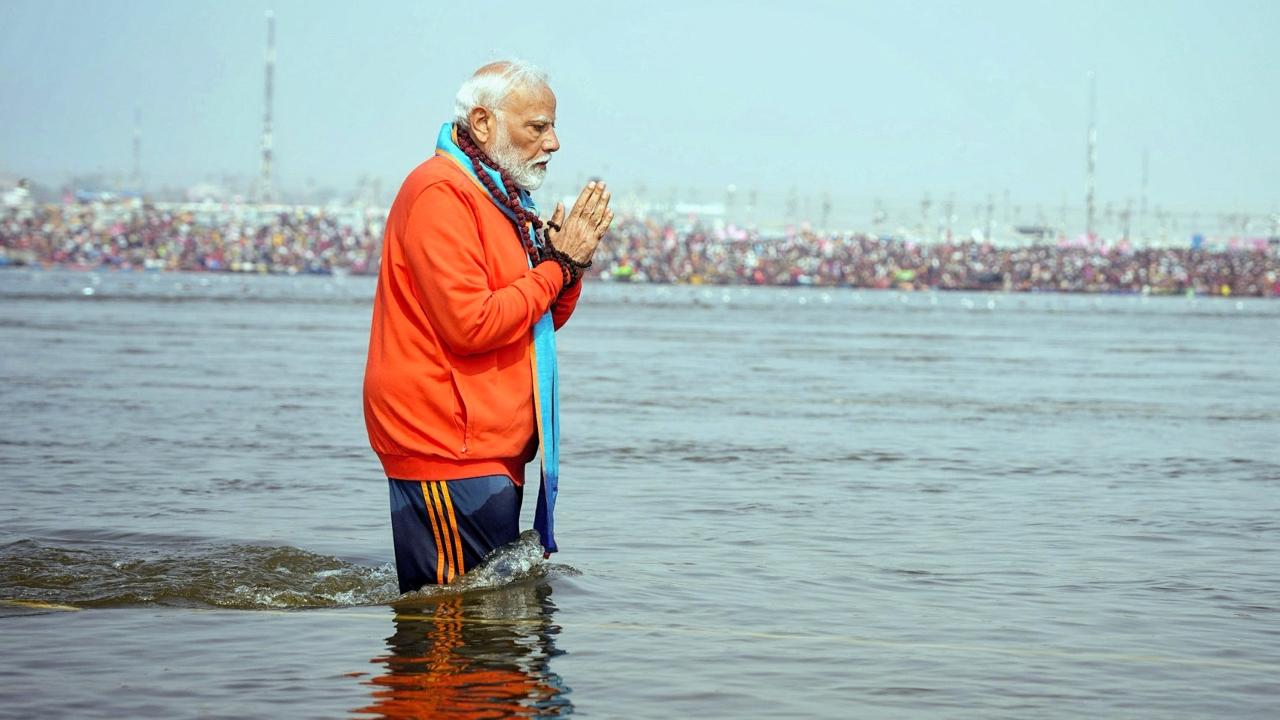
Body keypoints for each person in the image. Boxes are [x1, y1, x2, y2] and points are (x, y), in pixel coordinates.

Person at [363, 60, 613, 592]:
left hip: (487, 446)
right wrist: (557, 267)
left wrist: (566, 269)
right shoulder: (440, 192)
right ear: (482, 122)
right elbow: (472, 324)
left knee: (485, 612)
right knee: (454, 615)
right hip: (445, 443)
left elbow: (532, 320)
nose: (554, 143)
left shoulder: (498, 197)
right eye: (538, 127)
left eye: (552, 127)